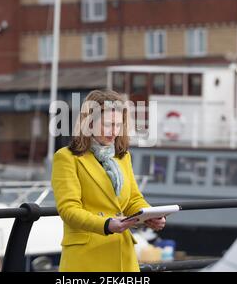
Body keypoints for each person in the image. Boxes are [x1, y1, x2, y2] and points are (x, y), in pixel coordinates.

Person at [51, 89, 166, 272]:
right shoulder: (66, 158)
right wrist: (106, 224)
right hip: (86, 259)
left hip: (123, 255)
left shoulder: (122, 156)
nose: (114, 131)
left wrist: (149, 215)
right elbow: (68, 210)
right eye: (108, 124)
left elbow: (133, 199)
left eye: (118, 125)